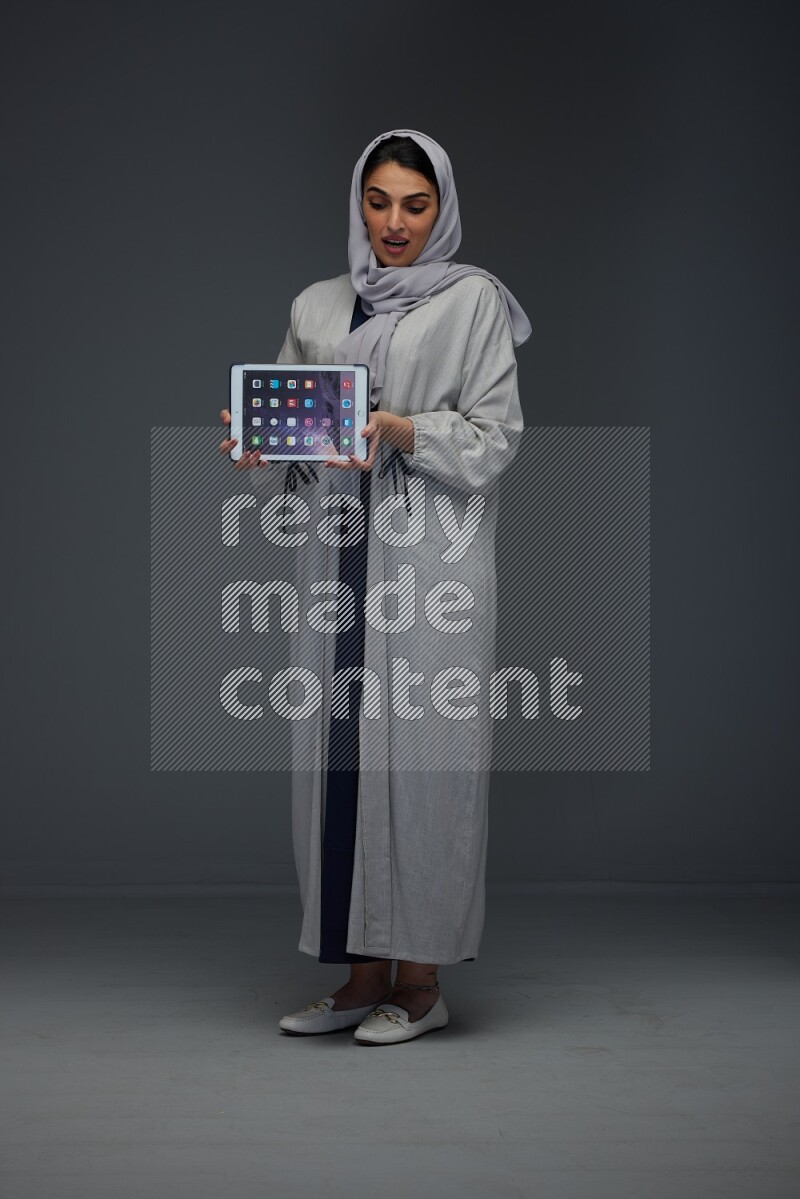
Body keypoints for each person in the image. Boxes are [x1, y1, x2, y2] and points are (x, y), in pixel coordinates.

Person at [218, 129, 531, 1045]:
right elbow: (289, 425)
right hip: (339, 558)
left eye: (416, 204)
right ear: (359, 201)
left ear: (443, 210)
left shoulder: (472, 303)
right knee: (341, 761)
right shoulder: (317, 305)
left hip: (430, 562)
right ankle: (359, 979)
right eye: (380, 200)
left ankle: (422, 985)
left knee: (427, 762)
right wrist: (256, 443)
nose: (394, 223)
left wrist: (397, 428)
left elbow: (496, 438)